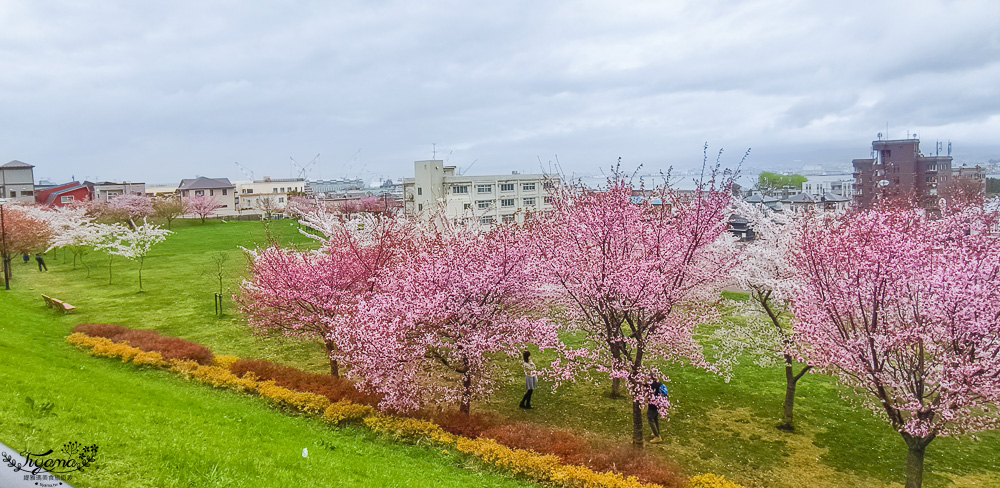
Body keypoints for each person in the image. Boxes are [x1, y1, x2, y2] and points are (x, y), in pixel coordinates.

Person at [648, 374, 666, 444]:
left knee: (650, 418)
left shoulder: (653, 385)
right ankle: (656, 432)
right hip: (658, 403)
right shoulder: (659, 383)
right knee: (655, 418)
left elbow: (648, 388)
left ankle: (657, 436)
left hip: (653, 404)